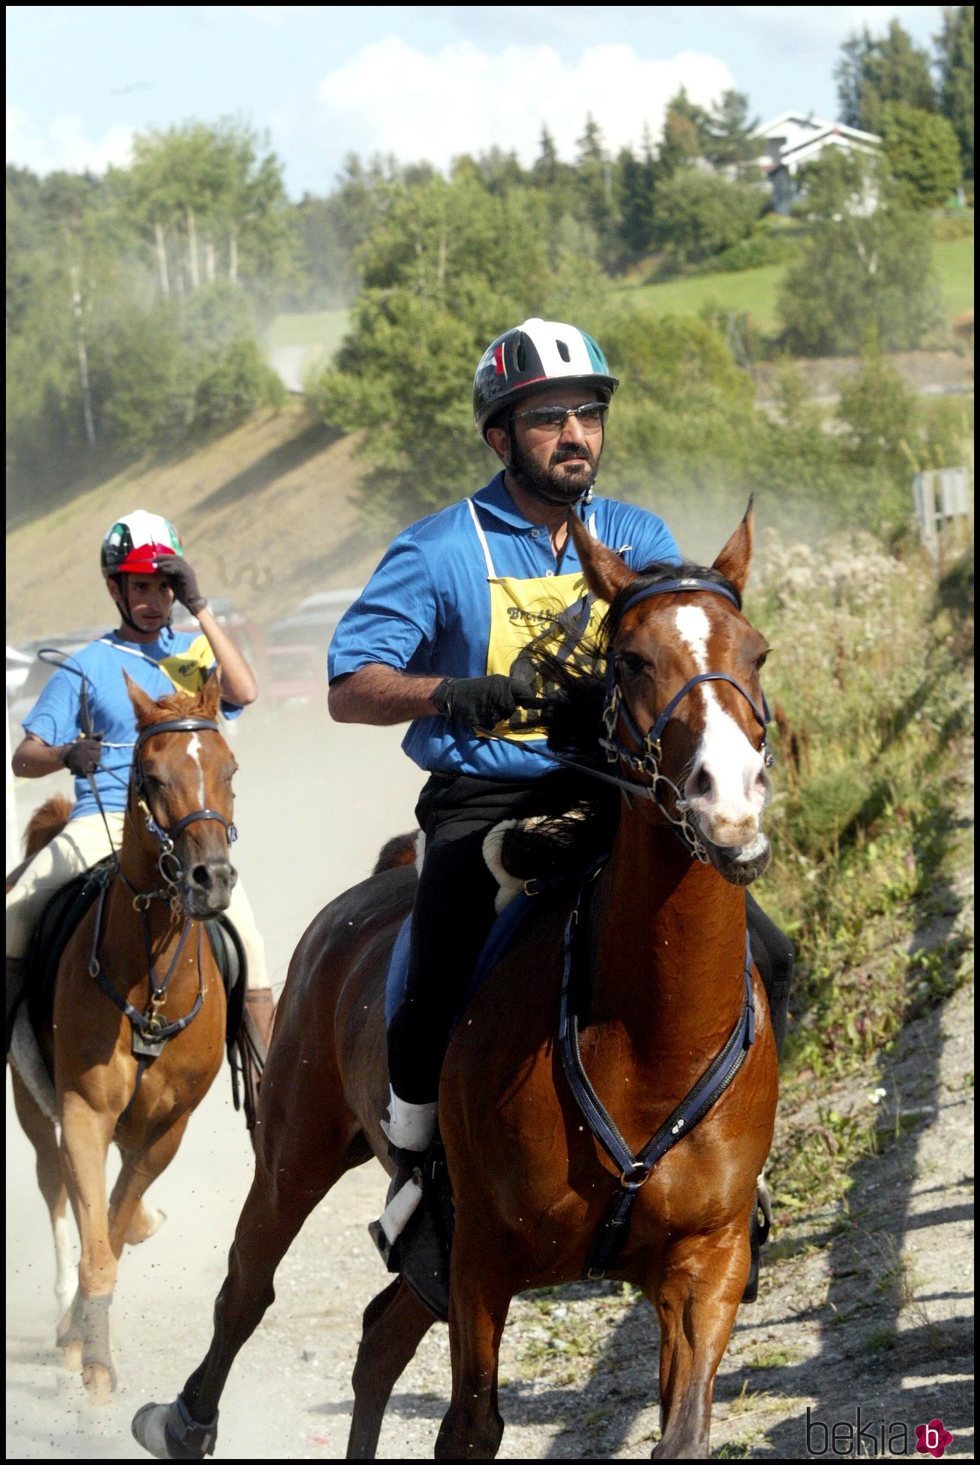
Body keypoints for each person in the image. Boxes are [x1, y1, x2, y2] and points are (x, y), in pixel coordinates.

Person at [327, 318, 793, 1256]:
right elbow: (350, 687)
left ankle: (740, 1161)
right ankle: (421, 1168)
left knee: (768, 954)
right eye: (549, 418)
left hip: (618, 796)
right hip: (486, 798)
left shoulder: (636, 534)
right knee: (440, 960)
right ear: (500, 436)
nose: (576, 432)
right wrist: (458, 691)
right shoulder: (437, 548)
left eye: (588, 413)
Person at [6, 510, 276, 1057]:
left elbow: (244, 692)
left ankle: (269, 1090)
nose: (154, 598)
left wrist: (200, 607)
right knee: (16, 913)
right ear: (116, 588)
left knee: (252, 946)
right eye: (141, 586)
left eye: (165, 586)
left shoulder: (195, 656)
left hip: (189, 830)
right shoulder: (86, 666)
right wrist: (64, 753)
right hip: (101, 819)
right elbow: (23, 759)